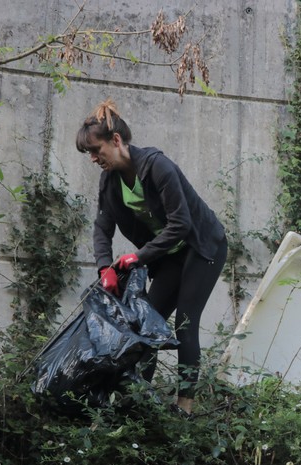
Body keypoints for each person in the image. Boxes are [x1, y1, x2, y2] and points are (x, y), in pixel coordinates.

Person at [76, 98, 227, 416]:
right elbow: (102, 229)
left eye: (96, 150)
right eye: (88, 154)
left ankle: (184, 408)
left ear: (116, 141)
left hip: (202, 246)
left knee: (185, 324)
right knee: (144, 325)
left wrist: (137, 257)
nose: (93, 158)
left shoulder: (158, 166)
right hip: (168, 255)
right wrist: (106, 267)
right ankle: (138, 402)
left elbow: (181, 224)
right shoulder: (110, 180)